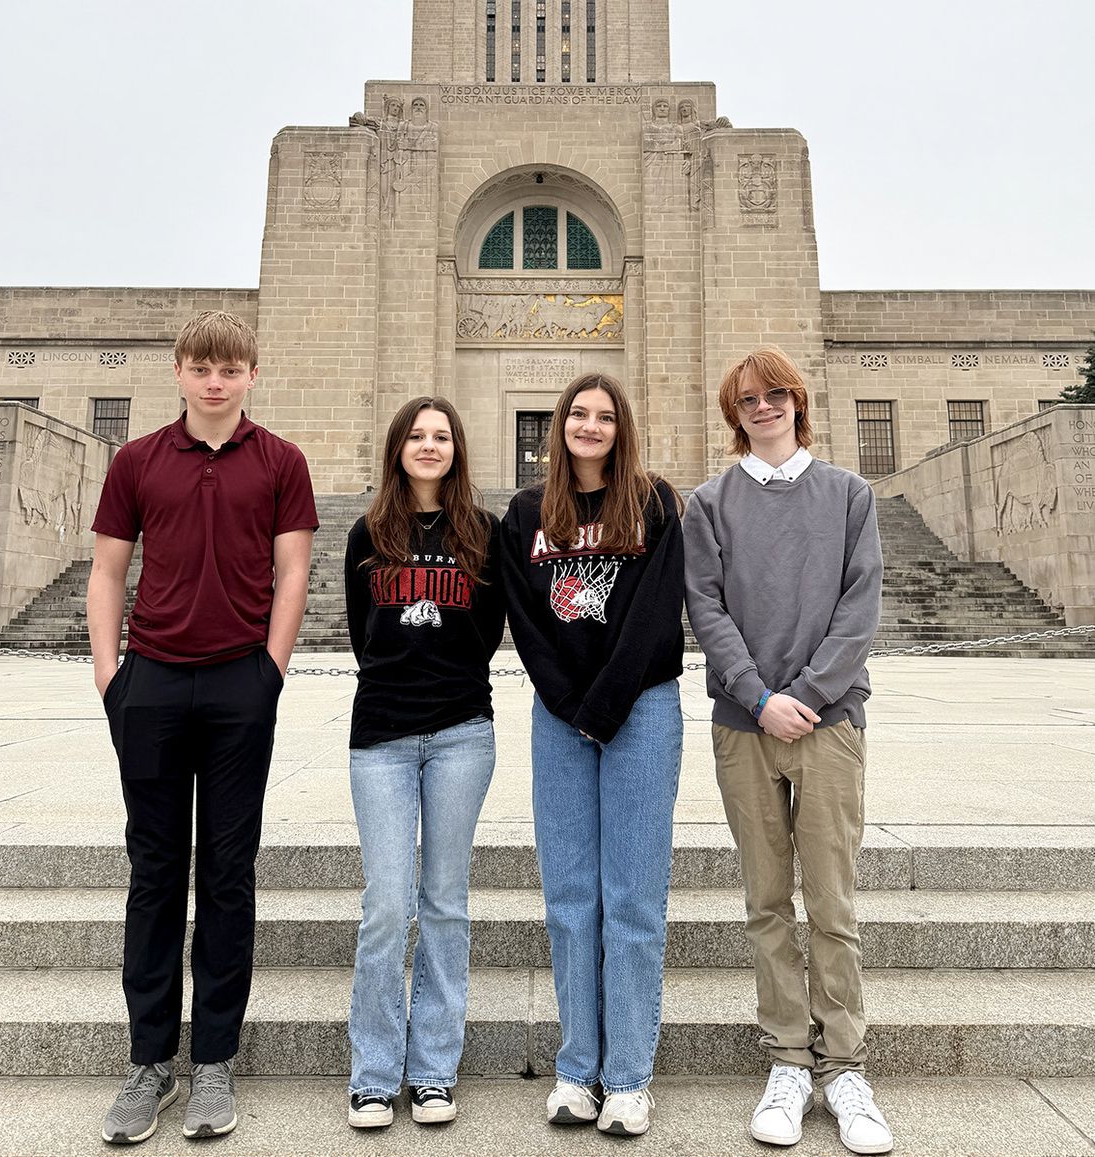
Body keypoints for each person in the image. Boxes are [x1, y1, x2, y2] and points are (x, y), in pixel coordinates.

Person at [87, 311, 317, 1145]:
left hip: (237, 684)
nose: (215, 381)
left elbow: (294, 570)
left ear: (252, 374)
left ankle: (214, 1059)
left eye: (230, 368)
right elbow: (109, 572)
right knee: (154, 871)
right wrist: (113, 679)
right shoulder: (137, 460)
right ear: (179, 372)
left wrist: (271, 671)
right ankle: (148, 1061)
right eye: (201, 368)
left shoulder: (281, 461)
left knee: (227, 868)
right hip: (149, 683)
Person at [682, 348, 893, 1155]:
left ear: (798, 403)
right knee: (766, 900)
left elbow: (860, 604)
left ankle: (844, 1067)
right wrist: (758, 696)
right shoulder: (710, 503)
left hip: (830, 724)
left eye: (776, 395)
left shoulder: (849, 494)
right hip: (744, 727)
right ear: (732, 413)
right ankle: (786, 1062)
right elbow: (705, 605)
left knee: (832, 904)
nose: (763, 407)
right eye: (747, 399)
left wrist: (803, 692)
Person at [502, 371, 684, 1138]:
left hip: (640, 709)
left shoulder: (654, 502)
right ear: (558, 425)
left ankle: (631, 1077)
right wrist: (572, 704)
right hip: (559, 715)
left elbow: (654, 610)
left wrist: (604, 703)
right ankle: (578, 1070)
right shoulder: (523, 514)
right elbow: (526, 620)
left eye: (604, 416)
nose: (589, 425)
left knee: (633, 900)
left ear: (622, 427)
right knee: (571, 899)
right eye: (578, 413)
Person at [344, 396, 505, 1130]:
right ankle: (374, 1075)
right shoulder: (367, 532)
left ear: (458, 448)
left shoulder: (485, 534)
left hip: (462, 734)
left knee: (444, 899)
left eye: (442, 435)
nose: (430, 445)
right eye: (418, 434)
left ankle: (434, 1071)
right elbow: (361, 631)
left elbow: (491, 631)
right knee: (386, 902)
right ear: (398, 447)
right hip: (381, 735)